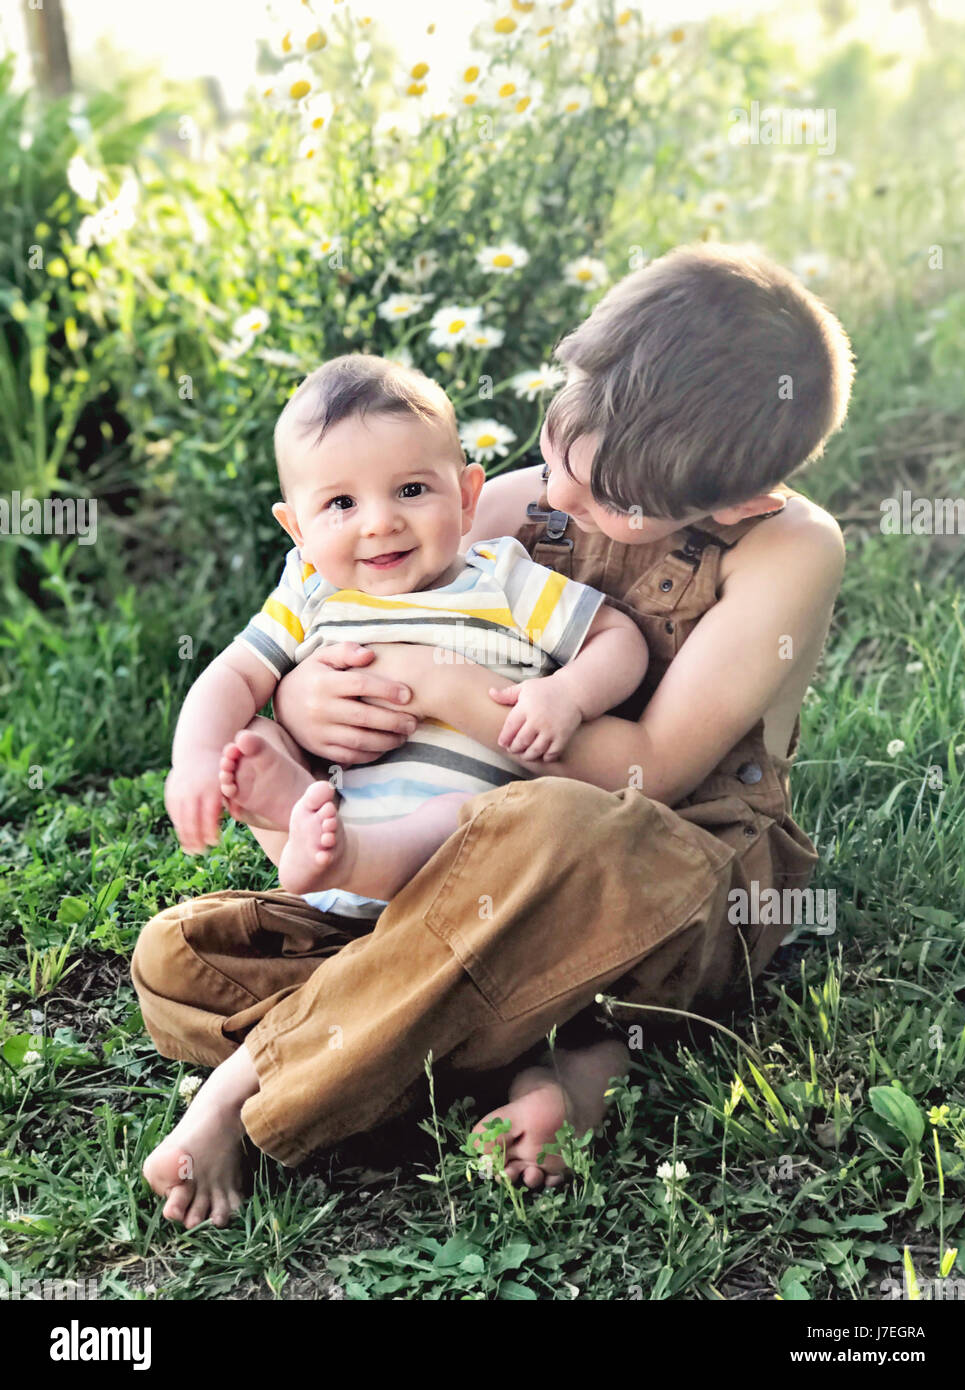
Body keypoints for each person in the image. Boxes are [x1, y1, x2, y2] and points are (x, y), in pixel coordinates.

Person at [134, 242, 852, 1230]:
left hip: (656, 865)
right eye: (557, 447)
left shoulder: (789, 549)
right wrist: (302, 704)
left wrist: (444, 686)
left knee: (546, 823)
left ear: (735, 504)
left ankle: (258, 1090)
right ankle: (550, 1057)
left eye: (606, 499)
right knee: (179, 959)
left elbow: (641, 774)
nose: (557, 497)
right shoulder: (512, 499)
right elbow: (355, 616)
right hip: (452, 880)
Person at [164, 352, 647, 912]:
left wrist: (568, 693)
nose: (380, 522)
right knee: (253, 740)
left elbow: (617, 639)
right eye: (341, 503)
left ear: (467, 498)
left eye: (411, 490)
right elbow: (231, 673)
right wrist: (197, 756)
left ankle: (352, 859)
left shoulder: (500, 578)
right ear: (296, 528)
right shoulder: (308, 589)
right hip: (332, 814)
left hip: (459, 851)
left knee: (459, 815)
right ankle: (304, 818)